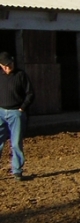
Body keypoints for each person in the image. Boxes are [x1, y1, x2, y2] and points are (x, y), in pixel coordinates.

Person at [0, 52, 35, 181]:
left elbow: (30, 93)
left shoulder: (21, 75)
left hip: (16, 112)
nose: (8, 68)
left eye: (9, 65)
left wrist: (22, 108)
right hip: (1, 112)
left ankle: (17, 171)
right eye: (5, 66)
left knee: (15, 143)